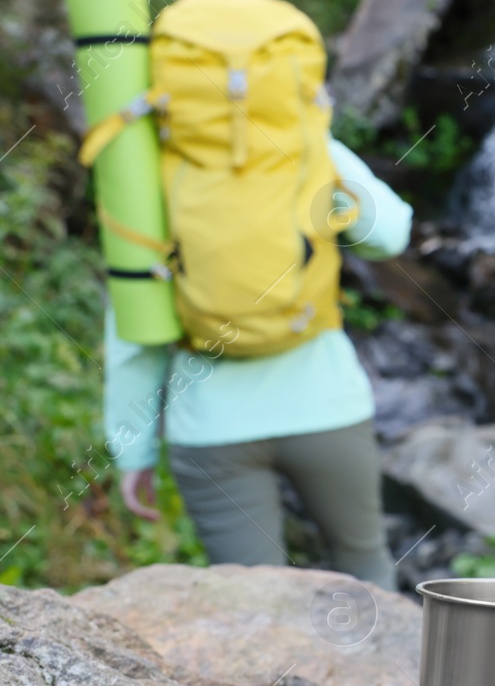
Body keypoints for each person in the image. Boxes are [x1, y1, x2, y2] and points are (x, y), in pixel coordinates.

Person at [103, 137, 410, 589]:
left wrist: (133, 451)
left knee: (252, 599)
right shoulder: (301, 137)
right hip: (328, 408)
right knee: (364, 566)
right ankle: (389, 661)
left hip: (213, 429)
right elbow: (388, 235)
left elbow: (135, 335)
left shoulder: (151, 163)